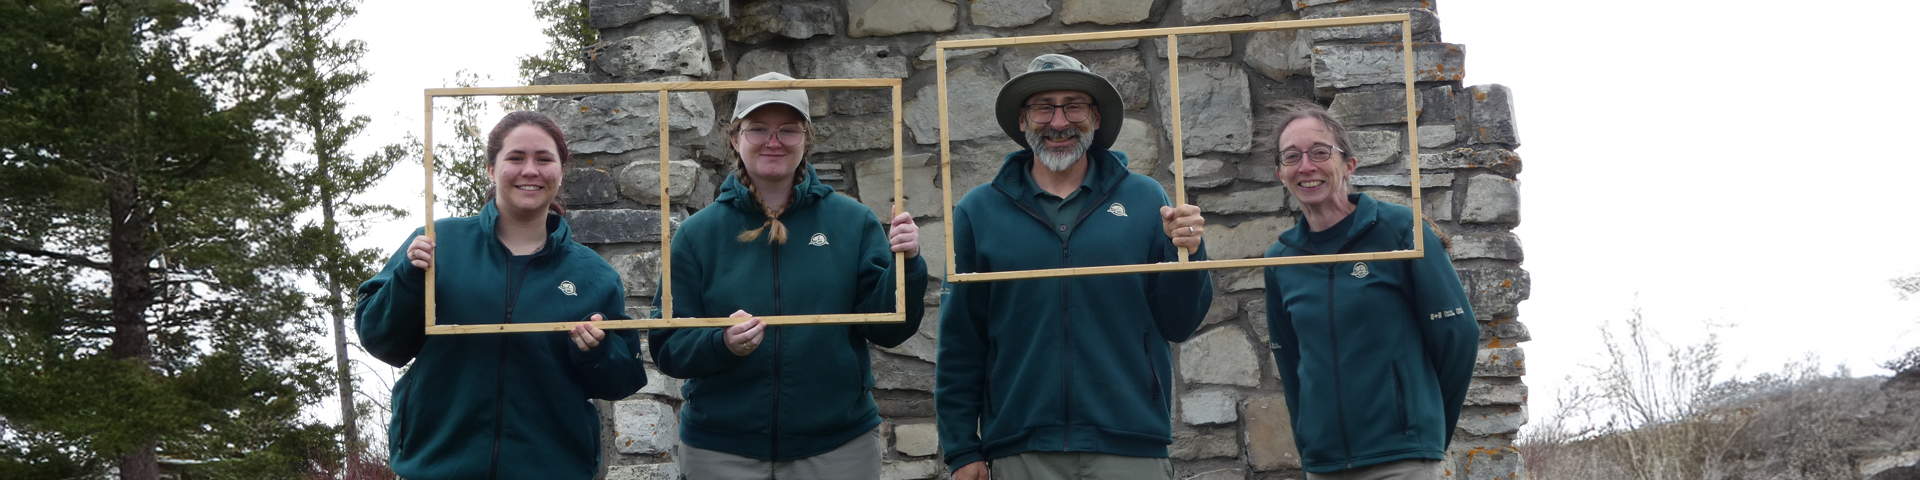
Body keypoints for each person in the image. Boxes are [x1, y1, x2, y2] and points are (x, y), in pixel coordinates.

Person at [935, 54, 1215, 480]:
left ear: (1096, 117)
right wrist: (961, 448)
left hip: (1130, 444)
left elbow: (1179, 322)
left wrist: (1191, 254)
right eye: (1043, 106)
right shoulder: (979, 211)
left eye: (1074, 106)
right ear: (1024, 120)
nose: (1059, 121)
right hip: (1021, 448)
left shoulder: (1147, 199)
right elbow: (961, 341)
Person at [648, 72, 929, 480]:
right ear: (735, 138)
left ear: (807, 139)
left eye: (789, 130)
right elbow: (667, 345)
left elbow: (889, 328)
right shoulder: (697, 234)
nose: (773, 141)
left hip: (838, 447)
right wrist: (721, 343)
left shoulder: (853, 222)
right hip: (720, 451)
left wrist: (908, 263)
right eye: (758, 128)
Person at [356, 111, 647, 480]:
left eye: (544, 159)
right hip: (436, 467)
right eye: (515, 158)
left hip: (551, 470)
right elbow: (381, 340)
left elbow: (622, 380)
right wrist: (408, 280)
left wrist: (597, 351)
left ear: (560, 172)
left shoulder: (593, 275)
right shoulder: (437, 244)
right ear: (492, 170)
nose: (530, 170)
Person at [1260, 99, 1480, 479]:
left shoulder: (1399, 231)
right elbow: (1290, 362)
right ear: (1281, 173)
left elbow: (1457, 334)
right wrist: (1309, 440)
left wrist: (1424, 426)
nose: (1306, 166)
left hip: (1401, 461)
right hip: (1324, 466)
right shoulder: (1280, 260)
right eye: (1292, 156)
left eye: (1319, 152)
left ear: (1349, 165)